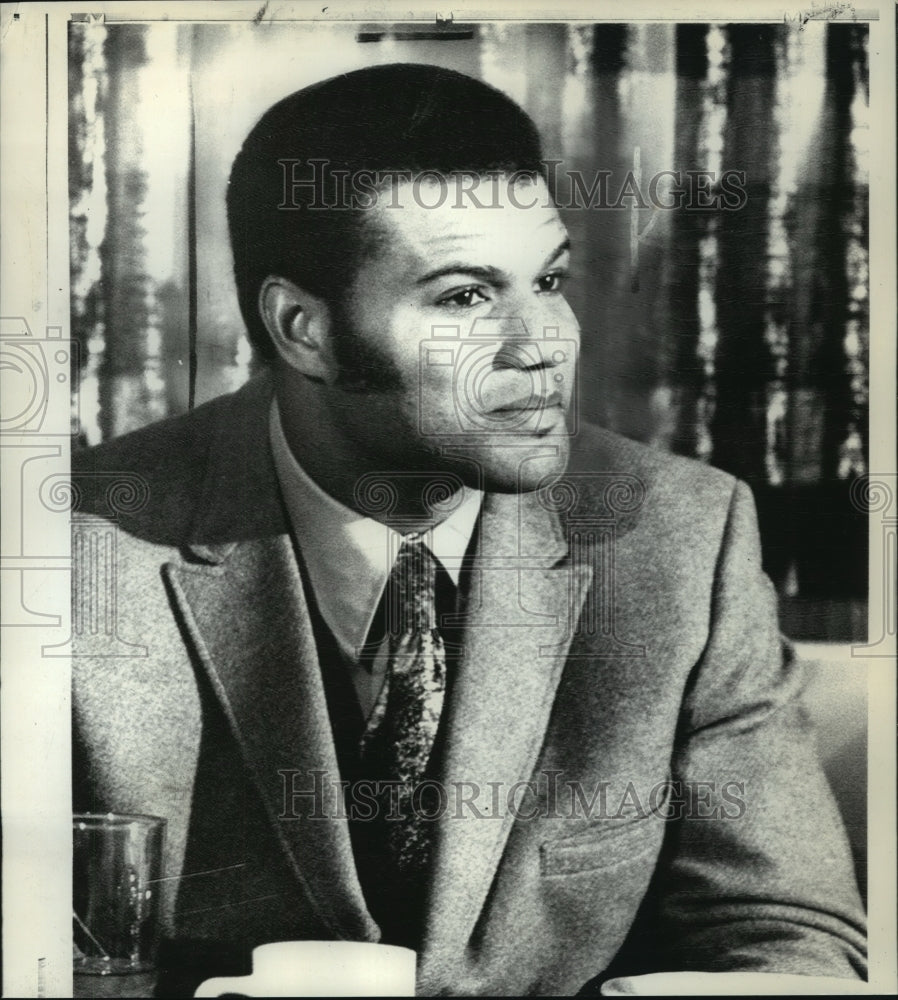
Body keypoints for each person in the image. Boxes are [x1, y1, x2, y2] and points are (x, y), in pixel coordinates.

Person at [72, 63, 866, 994]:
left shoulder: (681, 537)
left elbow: (781, 934)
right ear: (303, 330)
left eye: (551, 280)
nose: (544, 345)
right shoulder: (77, 547)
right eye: (465, 297)